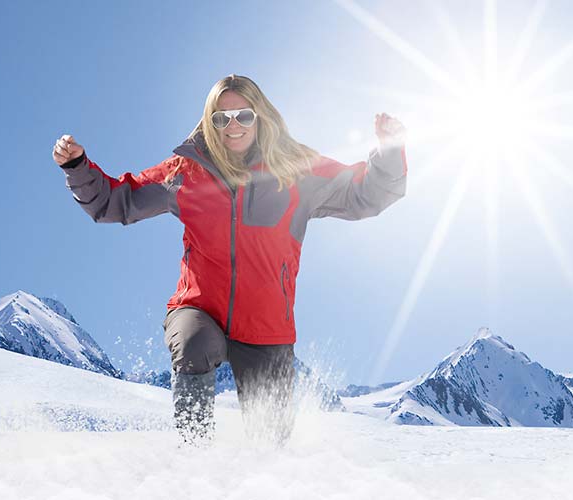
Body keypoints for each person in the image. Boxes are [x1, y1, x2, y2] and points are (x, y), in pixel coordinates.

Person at [52, 74, 407, 446]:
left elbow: (365, 194)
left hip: (267, 327)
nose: (232, 126)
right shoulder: (183, 172)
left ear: (261, 117)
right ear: (209, 122)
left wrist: (389, 153)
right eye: (221, 119)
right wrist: (78, 168)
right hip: (200, 309)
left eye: (243, 116)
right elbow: (116, 201)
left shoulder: (297, 170)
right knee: (193, 344)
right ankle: (194, 454)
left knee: (270, 447)